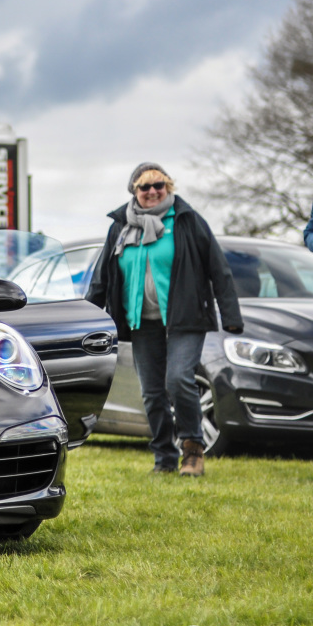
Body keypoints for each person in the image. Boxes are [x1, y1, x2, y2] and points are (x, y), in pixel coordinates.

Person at [86, 162, 243, 476]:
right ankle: (164, 457)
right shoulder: (120, 226)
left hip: (186, 318)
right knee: (152, 392)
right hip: (141, 322)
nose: (153, 191)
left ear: (168, 187)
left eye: (159, 185)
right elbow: (103, 276)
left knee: (178, 380)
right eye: (145, 187)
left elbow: (218, 268)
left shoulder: (187, 220)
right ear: (135, 191)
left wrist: (231, 316)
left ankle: (193, 450)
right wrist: (87, 318)